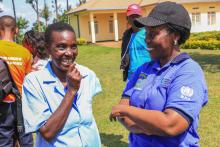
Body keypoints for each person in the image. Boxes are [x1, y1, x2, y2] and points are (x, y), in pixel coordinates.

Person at [110, 2, 208, 147]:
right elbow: (123, 109)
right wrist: (152, 126)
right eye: (146, 33)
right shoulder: (143, 70)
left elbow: (171, 125)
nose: (146, 39)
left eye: (153, 33)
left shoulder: (188, 72)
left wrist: (127, 110)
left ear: (175, 36)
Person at [22, 22, 102, 147]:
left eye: (73, 46)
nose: (69, 53)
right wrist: (71, 91)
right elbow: (47, 133)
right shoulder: (33, 82)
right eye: (62, 47)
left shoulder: (87, 75)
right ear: (48, 48)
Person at [0, 15, 33, 147]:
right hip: (22, 104)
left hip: (2, 103)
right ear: (17, 30)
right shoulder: (25, 53)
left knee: (4, 140)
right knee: (26, 140)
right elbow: (29, 80)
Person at [120, 4, 151, 81]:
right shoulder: (127, 35)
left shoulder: (148, 33)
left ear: (141, 17)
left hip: (144, 74)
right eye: (132, 17)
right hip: (130, 75)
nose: (135, 19)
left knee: (138, 91)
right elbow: (124, 52)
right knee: (128, 93)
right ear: (127, 18)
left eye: (137, 16)